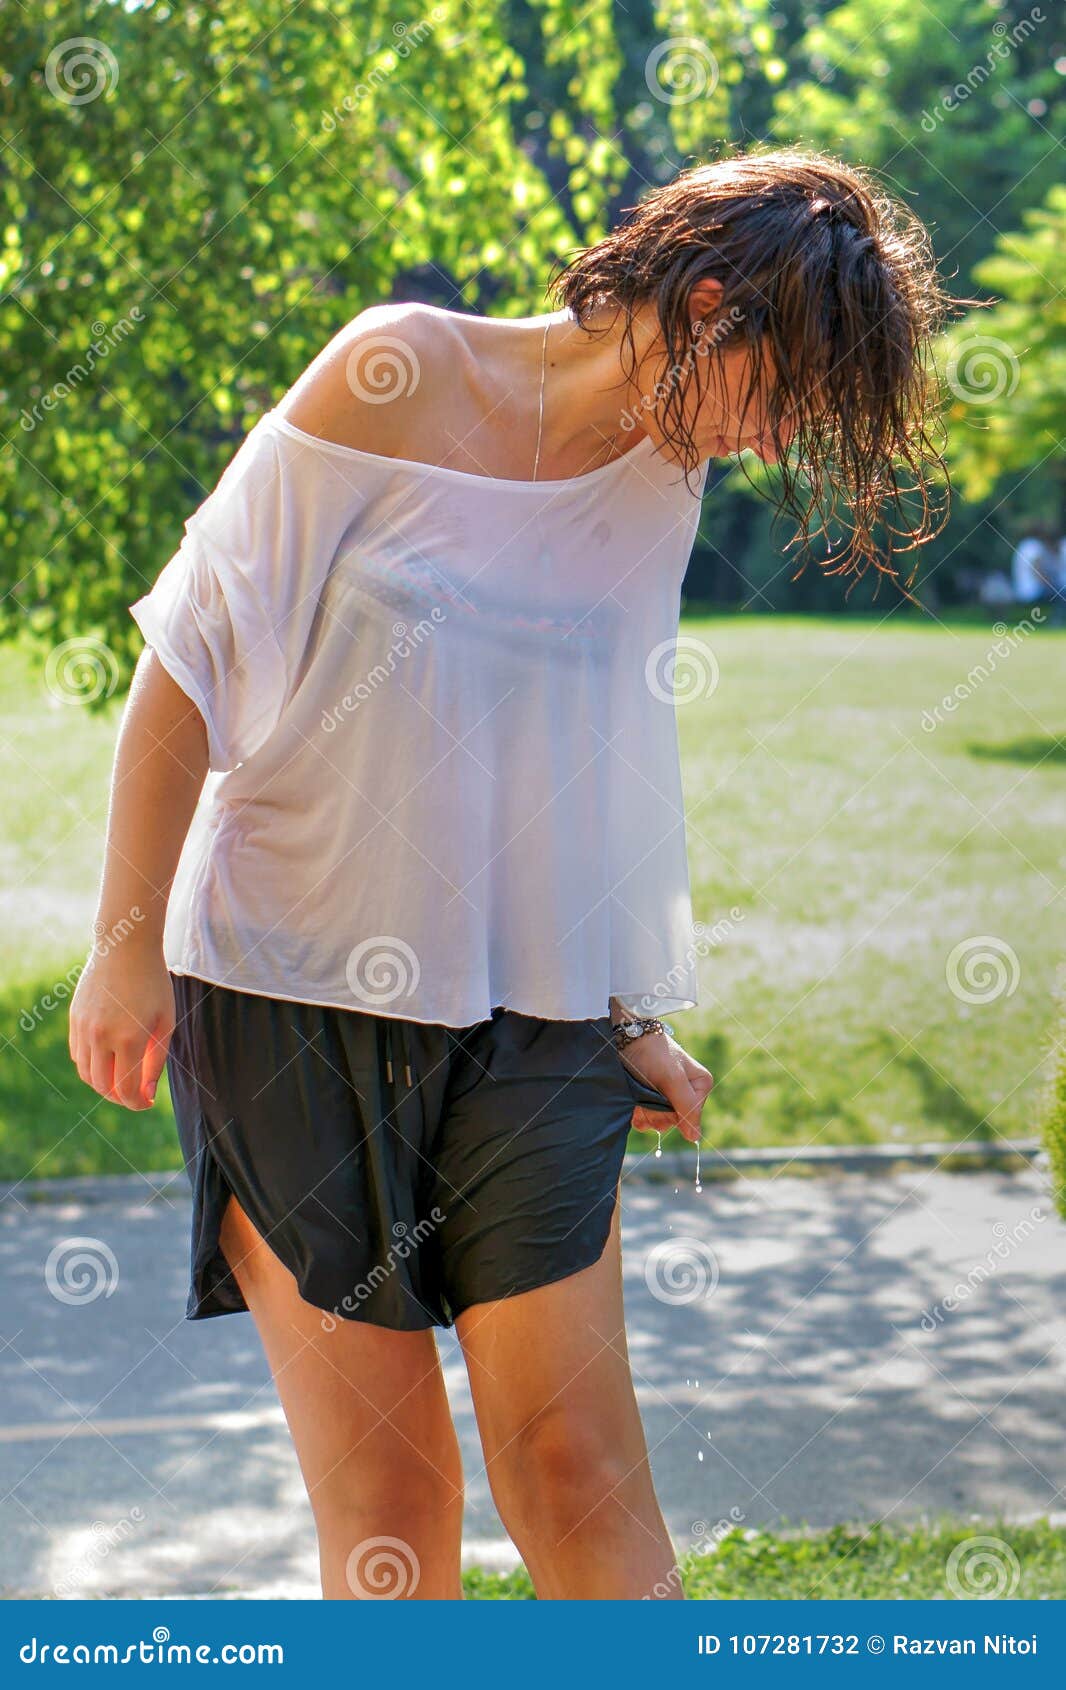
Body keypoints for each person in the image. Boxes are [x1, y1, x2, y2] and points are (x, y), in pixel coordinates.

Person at [68, 147, 951, 1600]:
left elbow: (590, 761)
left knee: (577, 1470)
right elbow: (184, 662)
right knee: (393, 1507)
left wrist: (625, 1010)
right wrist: (120, 944)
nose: (783, 437)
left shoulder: (661, 479)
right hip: (283, 996)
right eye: (786, 390)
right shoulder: (394, 373)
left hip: (532, 1032)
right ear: (711, 302)